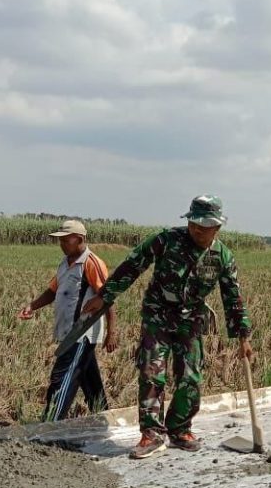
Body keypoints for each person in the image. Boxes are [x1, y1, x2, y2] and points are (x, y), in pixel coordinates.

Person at [81, 196, 253, 459]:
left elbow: (233, 298)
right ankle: (151, 434)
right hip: (158, 314)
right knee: (152, 372)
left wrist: (243, 337)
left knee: (191, 378)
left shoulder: (223, 257)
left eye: (204, 226)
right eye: (193, 223)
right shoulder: (166, 240)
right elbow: (133, 264)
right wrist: (105, 295)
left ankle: (180, 429)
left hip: (191, 319)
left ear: (217, 228)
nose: (196, 229)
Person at [18, 219, 118, 422]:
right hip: (67, 331)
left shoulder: (91, 263)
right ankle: (103, 415)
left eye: (66, 240)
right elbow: (53, 291)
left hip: (81, 332)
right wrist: (32, 306)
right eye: (60, 240)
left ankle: (51, 423)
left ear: (79, 239)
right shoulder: (65, 264)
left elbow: (108, 297)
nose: (62, 244)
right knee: (89, 379)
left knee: (61, 378)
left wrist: (112, 332)